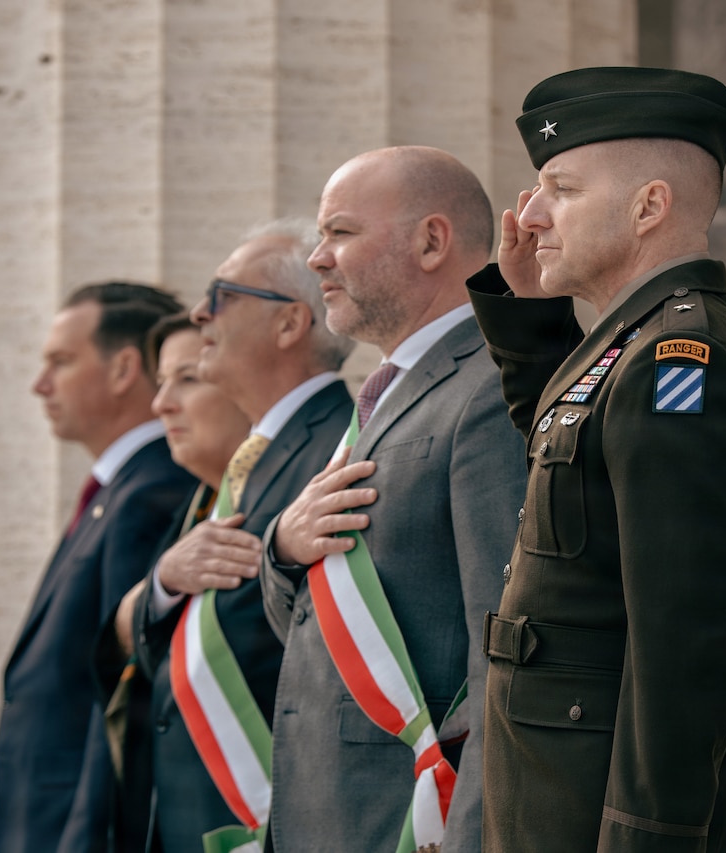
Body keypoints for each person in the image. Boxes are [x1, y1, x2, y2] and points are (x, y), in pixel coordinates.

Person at [465, 67, 726, 851]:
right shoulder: (630, 346)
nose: (531, 215)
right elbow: (574, 487)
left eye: (562, 189)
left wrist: (649, 838)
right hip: (557, 796)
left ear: (650, 206)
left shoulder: (682, 360)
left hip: (603, 818)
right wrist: (530, 322)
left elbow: (682, 641)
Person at [262, 146, 527, 853]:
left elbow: (504, 651)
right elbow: (305, 622)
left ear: (432, 240)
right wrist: (283, 547)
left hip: (416, 823)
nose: (318, 258)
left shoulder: (489, 389)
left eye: (340, 233)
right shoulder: (385, 394)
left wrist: (472, 835)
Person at [131, 219, 355, 851]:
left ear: (289, 324)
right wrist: (165, 585)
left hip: (280, 818)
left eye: (223, 295)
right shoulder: (245, 464)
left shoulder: (341, 444)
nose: (200, 314)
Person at [0, 283, 197, 853]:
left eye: (60, 362)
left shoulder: (152, 491)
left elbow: (120, 693)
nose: (40, 384)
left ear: (124, 369)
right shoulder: (119, 491)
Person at [91, 311, 251, 853]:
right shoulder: (195, 503)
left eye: (188, 378)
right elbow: (115, 656)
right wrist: (157, 583)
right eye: (162, 383)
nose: (160, 404)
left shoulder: (280, 496)